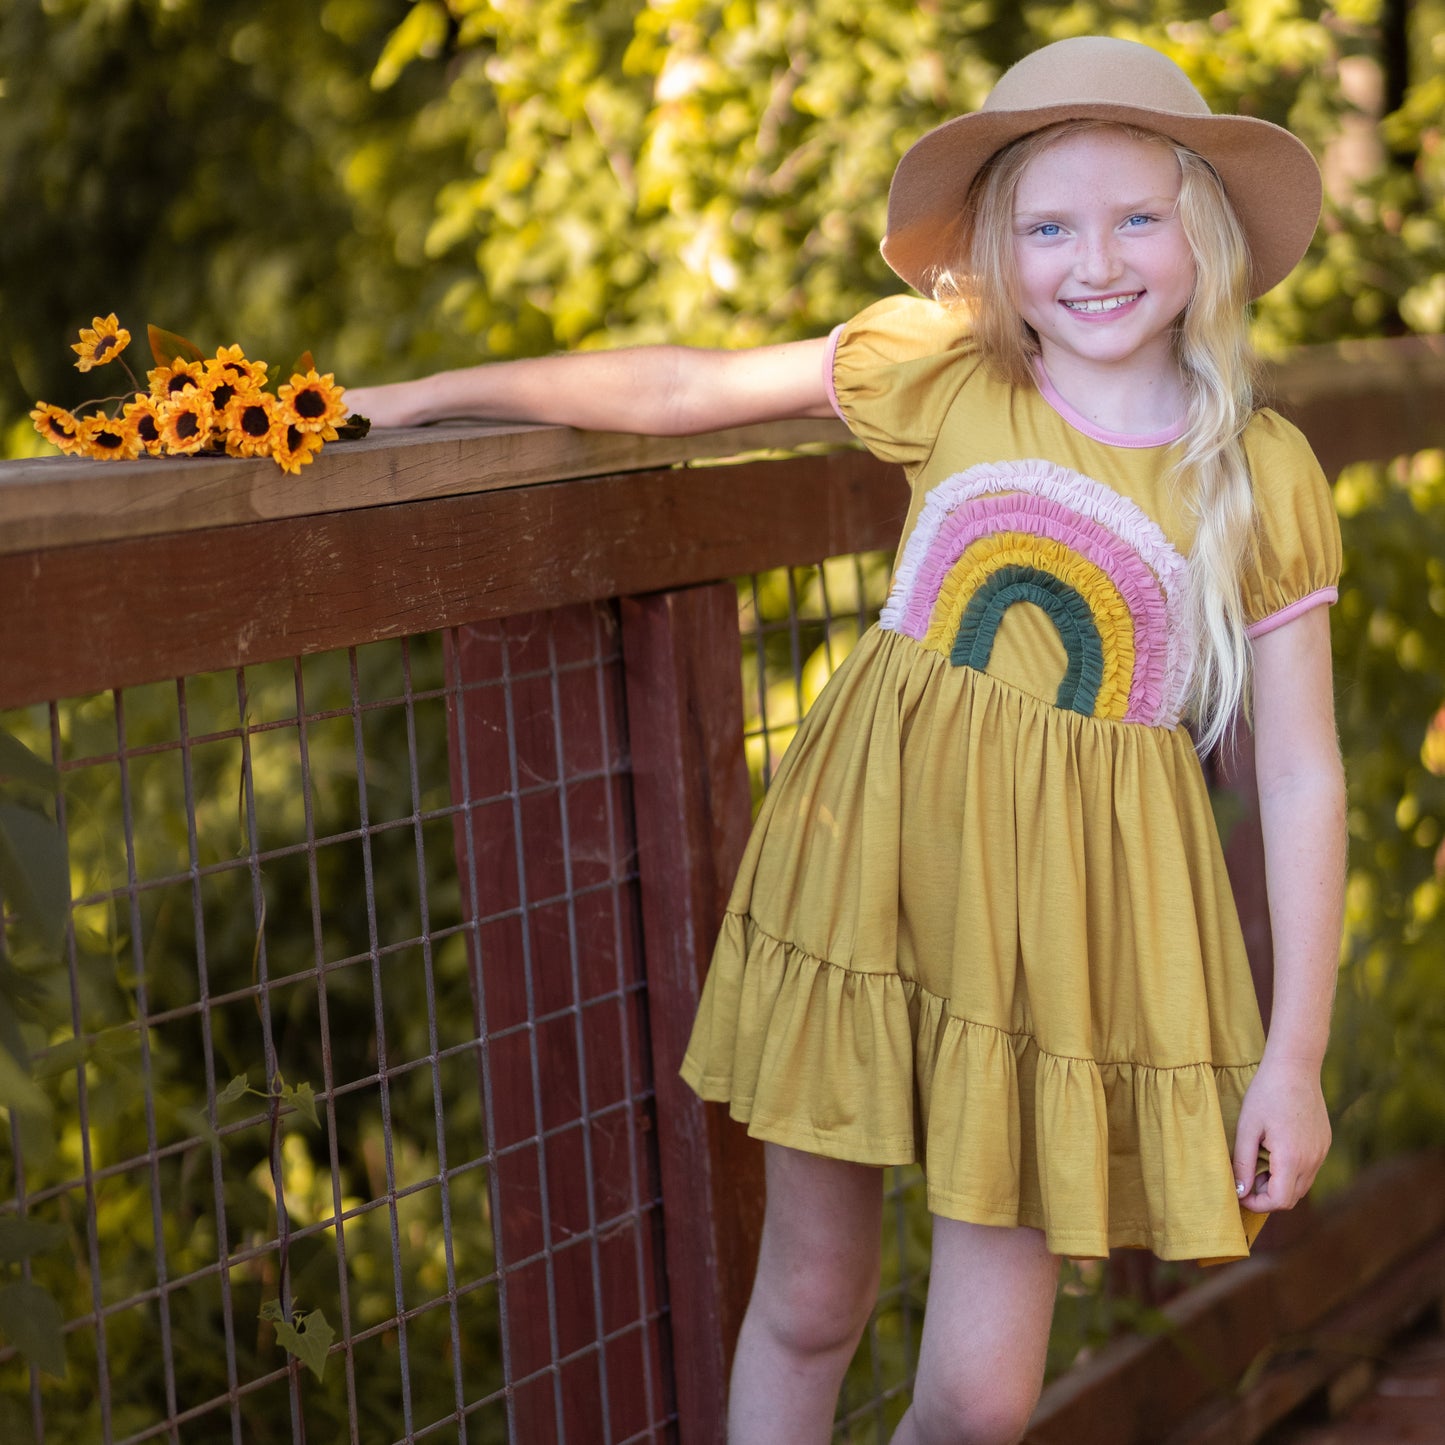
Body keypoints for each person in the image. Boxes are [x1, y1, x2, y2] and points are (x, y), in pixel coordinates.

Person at [349, 36, 1345, 1445]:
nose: (1094, 260)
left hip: (1060, 947)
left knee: (977, 1399)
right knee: (811, 1294)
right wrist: (422, 394)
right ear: (998, 254)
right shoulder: (945, 373)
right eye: (1047, 225)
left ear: (1205, 232)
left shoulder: (1255, 468)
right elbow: (684, 388)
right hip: (868, 884)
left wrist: (1289, 1052)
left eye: (1137, 216)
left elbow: (1298, 770)